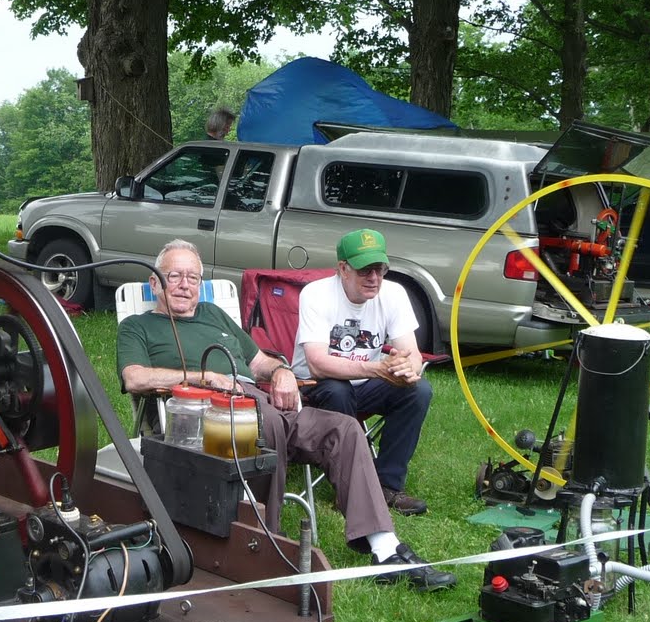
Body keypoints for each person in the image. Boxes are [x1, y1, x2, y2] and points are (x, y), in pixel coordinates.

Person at [116, 239, 454, 591]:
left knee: (345, 429)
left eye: (193, 277)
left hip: (258, 400)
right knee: (270, 424)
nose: (185, 285)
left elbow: (259, 362)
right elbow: (135, 377)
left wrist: (281, 373)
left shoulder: (214, 315)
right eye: (174, 276)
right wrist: (208, 378)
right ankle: (267, 542)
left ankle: (384, 549)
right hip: (203, 413)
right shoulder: (139, 326)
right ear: (154, 283)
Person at [292, 228, 434, 516]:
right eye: (365, 270)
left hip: (366, 381)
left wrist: (407, 367)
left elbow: (412, 352)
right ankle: (349, 491)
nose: (374, 278)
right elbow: (318, 363)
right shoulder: (316, 294)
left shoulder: (394, 294)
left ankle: (387, 485)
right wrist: (376, 369)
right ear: (343, 269)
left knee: (418, 391)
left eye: (380, 269)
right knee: (337, 389)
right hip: (314, 383)